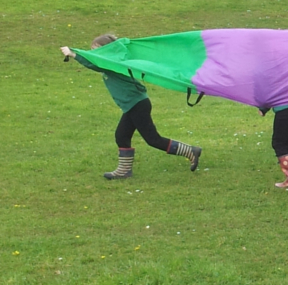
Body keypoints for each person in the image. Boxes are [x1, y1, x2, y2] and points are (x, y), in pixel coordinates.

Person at [60, 35, 201, 180]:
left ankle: (191, 151)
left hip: (137, 105)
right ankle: (124, 171)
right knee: (122, 136)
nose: (94, 55)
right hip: (133, 105)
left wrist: (74, 54)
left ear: (108, 51)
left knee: (153, 139)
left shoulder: (112, 62)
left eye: (96, 51)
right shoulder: (111, 62)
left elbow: (94, 64)